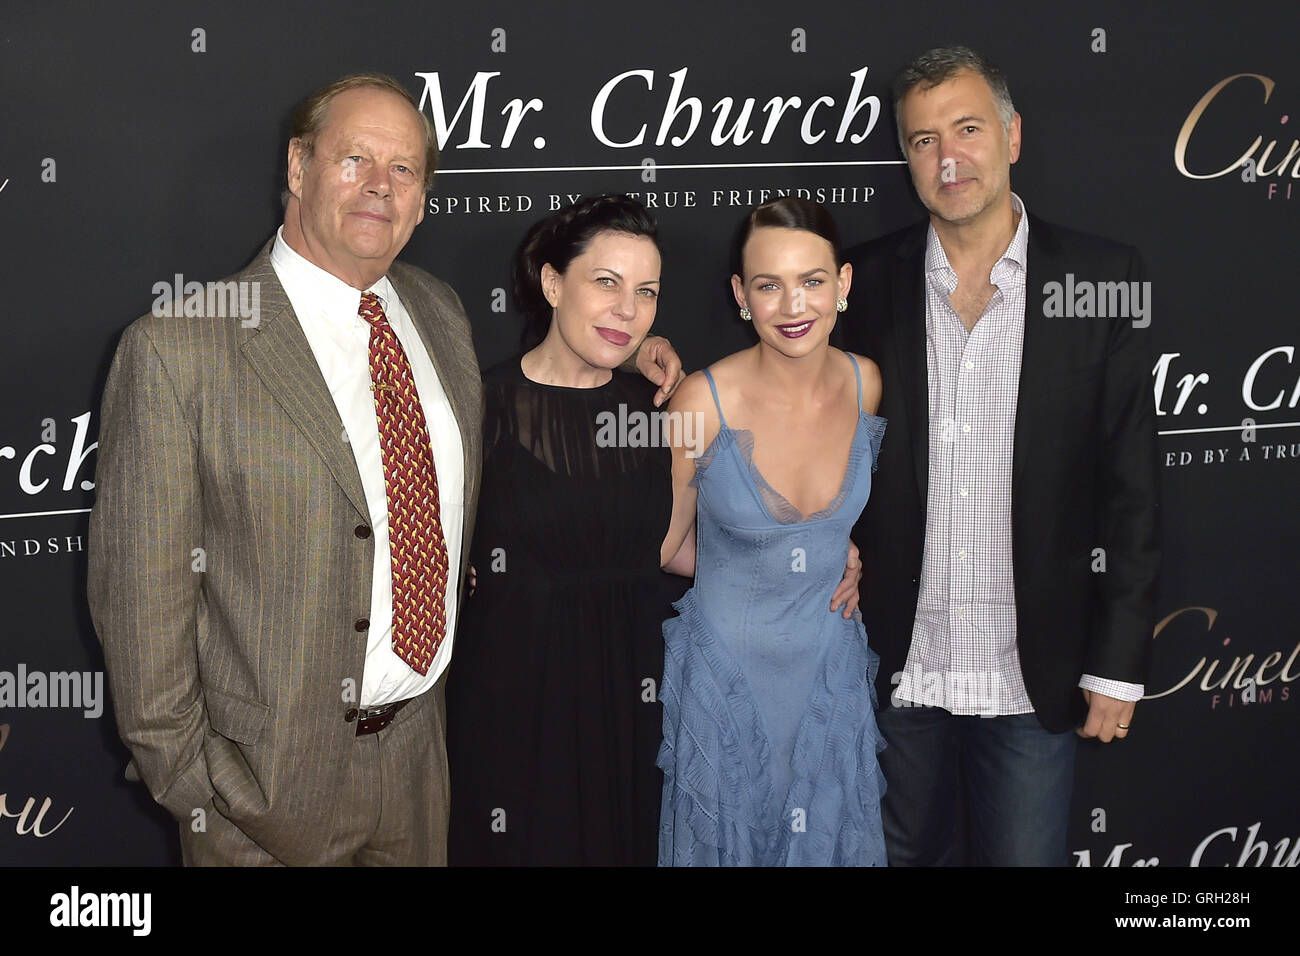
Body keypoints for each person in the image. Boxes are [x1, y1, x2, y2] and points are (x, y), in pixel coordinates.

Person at [86, 75, 681, 866]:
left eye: (404, 170)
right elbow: (138, 610)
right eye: (355, 159)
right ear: (298, 167)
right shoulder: (178, 350)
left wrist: (635, 343)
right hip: (263, 799)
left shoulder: (438, 313)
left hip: (424, 769)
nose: (380, 186)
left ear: (425, 197)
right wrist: (202, 795)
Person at [834, 46, 1160, 866]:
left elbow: (1133, 491)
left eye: (968, 129)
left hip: (1031, 676)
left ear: (1013, 136)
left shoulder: (1100, 278)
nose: (948, 158)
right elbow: (784, 401)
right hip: (896, 666)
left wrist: (1117, 665)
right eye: (922, 140)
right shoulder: (861, 285)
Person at [445, 195, 686, 866]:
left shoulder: (662, 410)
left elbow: (678, 546)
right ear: (552, 283)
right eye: (605, 282)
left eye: (646, 292)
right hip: (513, 714)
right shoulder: (475, 406)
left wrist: (815, 551)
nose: (627, 310)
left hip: (633, 701)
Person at [657, 197, 888, 866]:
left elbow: (847, 522)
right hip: (728, 685)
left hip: (828, 675)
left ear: (842, 284)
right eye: (769, 284)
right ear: (741, 294)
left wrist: (838, 553)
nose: (794, 305)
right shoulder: (700, 401)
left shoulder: (865, 382)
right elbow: (668, 546)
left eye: (812, 280)